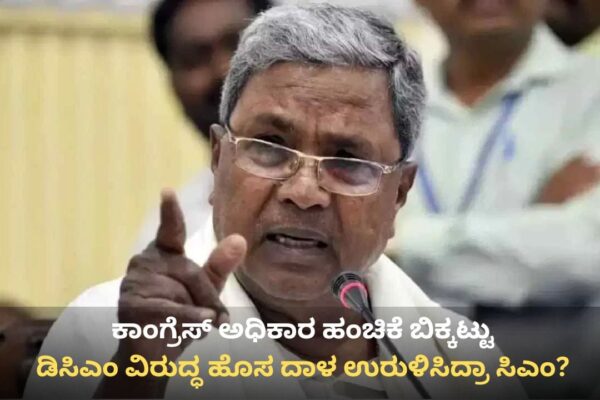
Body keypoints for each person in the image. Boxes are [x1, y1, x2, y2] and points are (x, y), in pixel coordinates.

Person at [25, 5, 523, 399]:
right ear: (218, 160)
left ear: (398, 194)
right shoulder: (105, 333)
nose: (303, 192)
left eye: (347, 160)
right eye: (268, 147)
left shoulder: (466, 360)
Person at [387, 0, 600, 307]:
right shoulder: (379, 100)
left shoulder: (591, 94)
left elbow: (585, 253)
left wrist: (396, 242)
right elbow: (335, 243)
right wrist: (530, 230)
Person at [132, 0, 272, 253]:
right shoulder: (171, 239)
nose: (223, 69)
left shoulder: (346, 191)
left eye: (239, 44)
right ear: (172, 84)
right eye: (194, 57)